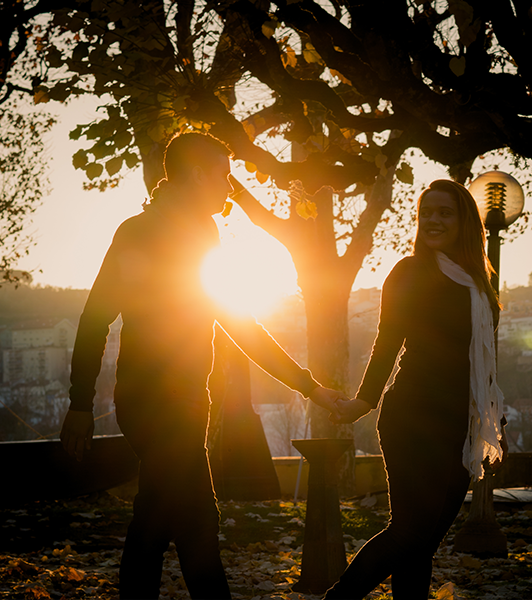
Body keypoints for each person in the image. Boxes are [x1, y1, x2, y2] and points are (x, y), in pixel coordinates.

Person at [59, 131, 344, 600]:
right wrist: (79, 405)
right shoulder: (139, 232)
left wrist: (308, 387)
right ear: (195, 175)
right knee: (193, 523)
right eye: (223, 175)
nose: (230, 186)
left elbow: (237, 322)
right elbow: (95, 319)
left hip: (189, 403)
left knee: (161, 518)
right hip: (153, 402)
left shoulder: (204, 233)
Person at [323, 179, 508, 600]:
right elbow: (388, 339)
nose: (433, 220)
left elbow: (481, 363)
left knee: (422, 543)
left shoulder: (477, 282)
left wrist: (493, 419)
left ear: (465, 222)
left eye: (445, 212)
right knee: (409, 532)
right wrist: (363, 401)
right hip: (413, 418)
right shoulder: (410, 272)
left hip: (458, 424)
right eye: (427, 212)